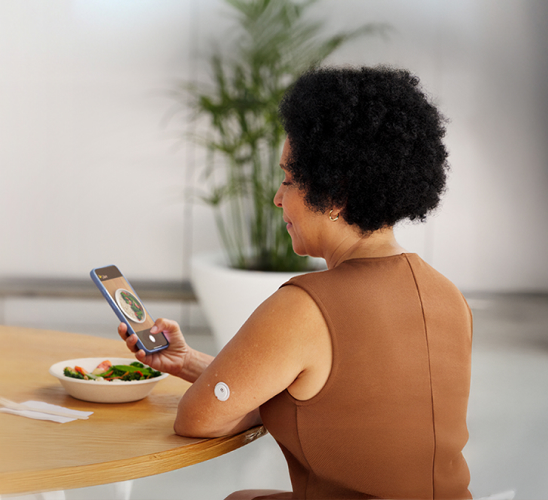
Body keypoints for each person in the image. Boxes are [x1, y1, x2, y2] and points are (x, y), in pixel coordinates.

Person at [119, 66, 471, 499]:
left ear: (335, 195)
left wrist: (222, 394)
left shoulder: (306, 306)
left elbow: (198, 420)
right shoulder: (449, 295)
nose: (277, 197)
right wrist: (187, 361)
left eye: (287, 179)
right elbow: (344, 400)